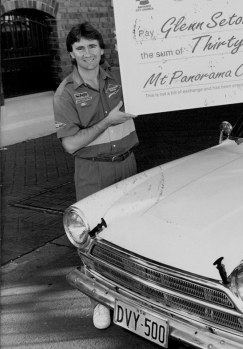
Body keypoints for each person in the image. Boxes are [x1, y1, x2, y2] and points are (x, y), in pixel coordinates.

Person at [53, 22, 139, 328]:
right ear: (71, 54)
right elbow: (71, 144)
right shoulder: (66, 93)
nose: (87, 53)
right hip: (93, 171)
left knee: (130, 233)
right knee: (93, 239)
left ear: (102, 49)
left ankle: (134, 299)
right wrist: (106, 121)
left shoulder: (119, 76)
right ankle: (98, 302)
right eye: (80, 48)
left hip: (128, 164)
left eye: (92, 46)